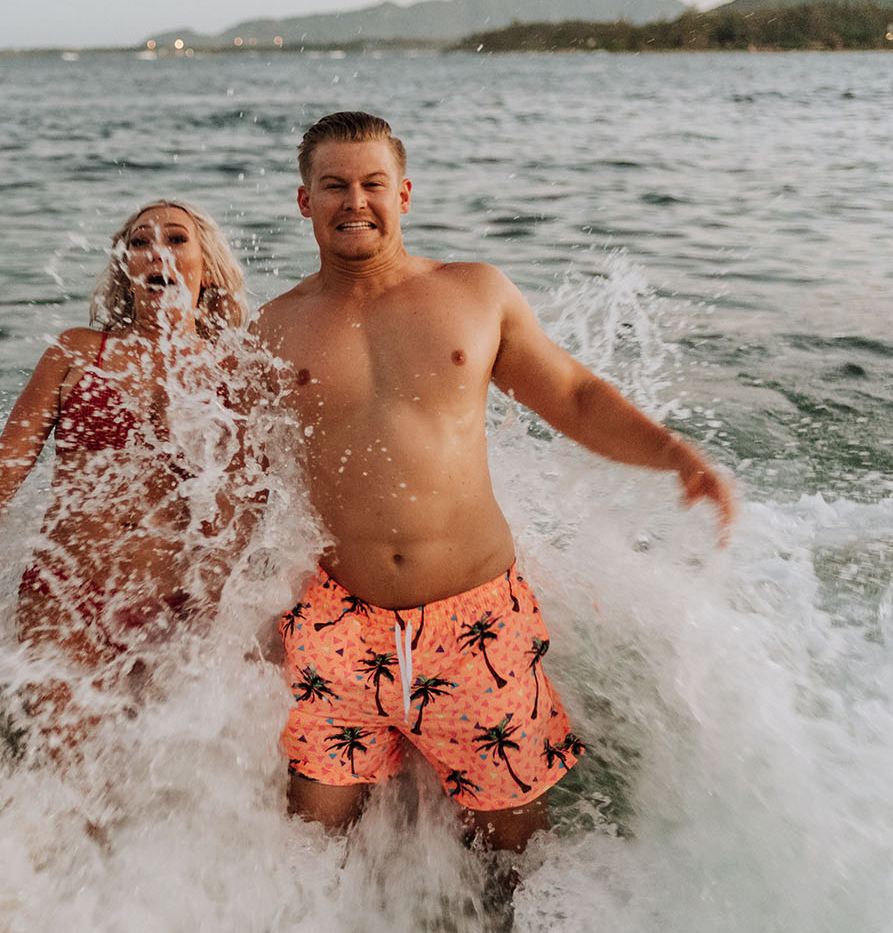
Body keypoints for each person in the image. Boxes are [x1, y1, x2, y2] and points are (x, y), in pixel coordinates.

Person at [254, 111, 737, 853]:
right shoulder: (273, 328)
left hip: (476, 619)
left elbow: (572, 395)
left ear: (405, 194)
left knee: (514, 844)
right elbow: (231, 472)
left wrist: (673, 453)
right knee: (309, 840)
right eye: (334, 186)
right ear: (304, 201)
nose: (355, 201)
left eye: (372, 183)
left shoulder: (474, 293)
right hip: (340, 624)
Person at [0, 200, 250, 744]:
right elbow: (4, 467)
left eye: (176, 239)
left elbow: (249, 500)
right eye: (139, 242)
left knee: (164, 772)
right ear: (125, 267)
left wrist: (224, 608)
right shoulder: (77, 352)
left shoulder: (236, 368)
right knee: (71, 768)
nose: (158, 252)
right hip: (65, 591)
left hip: (177, 606)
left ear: (208, 264)